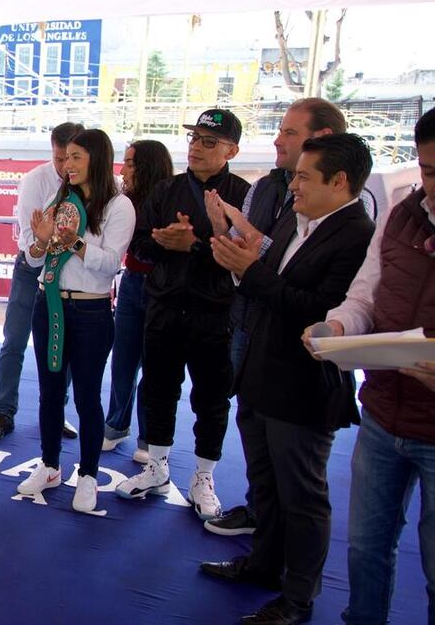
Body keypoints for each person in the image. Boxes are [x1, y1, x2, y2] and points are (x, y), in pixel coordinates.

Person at [199, 133, 375, 625]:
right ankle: (262, 566)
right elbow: (269, 279)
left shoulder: (356, 234)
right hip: (261, 375)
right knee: (266, 488)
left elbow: (322, 312)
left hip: (302, 388)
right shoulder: (299, 220)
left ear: (339, 181)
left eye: (302, 176)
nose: (291, 184)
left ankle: (298, 597)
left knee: (301, 497)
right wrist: (239, 249)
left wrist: (251, 271)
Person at [302, 107, 435, 625]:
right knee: (364, 549)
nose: (432, 185)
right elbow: (364, 297)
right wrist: (336, 329)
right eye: (427, 170)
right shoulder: (400, 216)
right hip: (382, 414)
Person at [205, 97, 347, 537]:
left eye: (288, 131)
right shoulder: (267, 188)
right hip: (250, 324)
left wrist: (247, 250)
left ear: (320, 139)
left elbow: (288, 267)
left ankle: (289, 566)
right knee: (255, 438)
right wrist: (226, 235)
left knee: (297, 470)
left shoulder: (347, 215)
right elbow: (258, 255)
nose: (277, 140)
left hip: (299, 349)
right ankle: (260, 521)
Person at [117, 108, 250, 521]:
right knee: (158, 387)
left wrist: (193, 244)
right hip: (164, 306)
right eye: (194, 138)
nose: (197, 147)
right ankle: (156, 466)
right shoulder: (164, 191)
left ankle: (204, 475)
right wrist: (163, 243)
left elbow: (248, 258)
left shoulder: (245, 196)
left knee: (211, 397)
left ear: (232, 150)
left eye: (209, 142)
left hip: (215, 311)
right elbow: (137, 247)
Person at [17, 129, 135, 512]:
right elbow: (34, 260)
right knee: (50, 392)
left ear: (96, 160)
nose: (67, 165)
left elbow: (110, 264)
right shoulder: (59, 200)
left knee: (86, 396)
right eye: (65, 158)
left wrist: (76, 242)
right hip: (47, 305)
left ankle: (87, 475)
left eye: (76, 158)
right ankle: (50, 465)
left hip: (91, 312)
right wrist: (40, 240)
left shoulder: (119, 207)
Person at [0, 122, 84, 444]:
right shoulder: (35, 181)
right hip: (32, 269)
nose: (65, 166)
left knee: (63, 346)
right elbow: (29, 242)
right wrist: (46, 244)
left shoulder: (94, 183)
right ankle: (3, 412)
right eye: (58, 158)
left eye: (71, 158)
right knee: (14, 340)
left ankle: (56, 410)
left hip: (72, 273)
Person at [102, 140, 173, 462]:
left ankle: (149, 437)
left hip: (163, 288)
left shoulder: (171, 196)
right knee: (123, 360)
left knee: (156, 366)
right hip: (131, 282)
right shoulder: (121, 199)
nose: (124, 169)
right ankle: (116, 425)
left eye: (130, 163)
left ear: (147, 166)